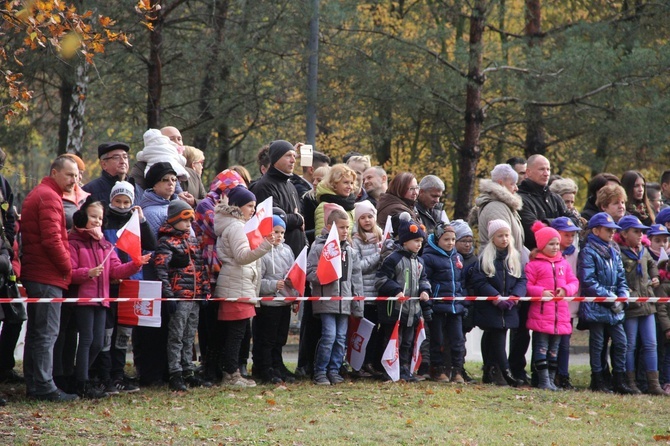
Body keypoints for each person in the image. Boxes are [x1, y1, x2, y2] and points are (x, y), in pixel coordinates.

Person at [68, 198, 148, 399]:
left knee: (98, 342)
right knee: (86, 340)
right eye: (93, 216)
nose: (97, 221)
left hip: (102, 299)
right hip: (84, 300)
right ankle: (81, 382)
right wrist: (88, 273)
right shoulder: (74, 241)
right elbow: (70, 271)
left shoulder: (106, 244)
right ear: (83, 217)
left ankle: (82, 375)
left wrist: (136, 264)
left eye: (100, 218)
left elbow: (115, 270)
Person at [21, 155, 79, 401]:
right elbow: (52, 240)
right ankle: (44, 387)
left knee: (37, 333)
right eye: (69, 175)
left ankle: (36, 385)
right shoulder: (49, 197)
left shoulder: (43, 194)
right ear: (54, 172)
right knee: (46, 333)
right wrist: (68, 268)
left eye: (76, 176)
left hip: (38, 273)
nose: (74, 181)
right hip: (47, 276)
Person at [515, 155, 575, 385]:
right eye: (541, 169)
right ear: (528, 172)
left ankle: (555, 375)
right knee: (525, 329)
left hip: (558, 270)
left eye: (548, 168)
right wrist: (556, 224)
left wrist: (549, 223)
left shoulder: (554, 197)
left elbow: (570, 223)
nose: (546, 173)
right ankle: (520, 371)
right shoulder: (521, 198)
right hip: (533, 267)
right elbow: (532, 231)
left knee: (556, 334)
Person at [98, 181, 156, 394]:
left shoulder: (135, 221)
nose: (122, 205)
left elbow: (151, 244)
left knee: (123, 332)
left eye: (126, 202)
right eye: (118, 201)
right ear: (111, 200)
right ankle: (104, 375)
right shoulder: (104, 221)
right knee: (107, 331)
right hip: (110, 282)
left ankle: (118, 374)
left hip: (132, 281)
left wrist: (142, 221)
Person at [214, 186, 273, 387]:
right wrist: (266, 245)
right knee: (236, 334)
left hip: (237, 283)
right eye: (249, 205)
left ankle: (233, 373)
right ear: (238, 206)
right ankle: (231, 374)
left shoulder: (232, 225)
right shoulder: (236, 227)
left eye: (254, 206)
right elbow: (241, 257)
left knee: (237, 333)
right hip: (236, 284)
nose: (253, 210)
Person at [194, 169, 246, 382]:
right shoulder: (206, 205)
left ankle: (226, 365)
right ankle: (209, 366)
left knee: (227, 324)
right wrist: (226, 209)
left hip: (227, 269)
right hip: (208, 268)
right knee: (210, 323)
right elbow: (216, 227)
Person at [154, 200, 211, 392]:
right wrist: (169, 296)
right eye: (185, 220)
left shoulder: (192, 240)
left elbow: (201, 268)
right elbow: (161, 270)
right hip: (179, 296)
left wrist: (204, 292)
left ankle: (188, 370)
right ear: (174, 219)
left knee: (189, 336)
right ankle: (175, 373)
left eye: (191, 220)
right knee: (176, 336)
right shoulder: (165, 241)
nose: (189, 224)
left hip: (194, 297)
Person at [577, 212, 635, 394]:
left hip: (614, 307)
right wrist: (611, 299)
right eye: (608, 229)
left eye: (613, 230)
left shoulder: (614, 250)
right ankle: (598, 378)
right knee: (598, 344)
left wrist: (622, 298)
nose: (611, 233)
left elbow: (621, 279)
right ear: (595, 230)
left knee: (621, 342)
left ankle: (619, 378)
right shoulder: (588, 251)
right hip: (597, 307)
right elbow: (588, 281)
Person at [307, 208, 364, 385]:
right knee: (329, 336)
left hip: (345, 302)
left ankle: (334, 369)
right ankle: (320, 371)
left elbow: (356, 278)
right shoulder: (318, 247)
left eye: (347, 227)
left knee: (341, 338)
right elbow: (309, 272)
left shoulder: (351, 251)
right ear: (330, 227)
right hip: (326, 302)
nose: (345, 231)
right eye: (341, 227)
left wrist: (357, 303)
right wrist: (325, 275)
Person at [468, 220, 526, 387]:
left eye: (507, 235)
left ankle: (491, 369)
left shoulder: (516, 257)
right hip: (491, 307)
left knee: (496, 336)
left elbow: (522, 279)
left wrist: (515, 296)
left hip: (509, 306)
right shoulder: (485, 259)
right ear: (492, 238)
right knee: (497, 335)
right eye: (500, 235)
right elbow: (479, 281)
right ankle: (505, 371)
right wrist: (494, 297)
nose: (504, 239)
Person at [375, 213, 431, 382]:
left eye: (421, 242)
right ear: (405, 241)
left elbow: (424, 279)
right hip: (395, 311)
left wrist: (425, 291)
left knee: (407, 342)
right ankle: (389, 369)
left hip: (412, 312)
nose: (419, 245)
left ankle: (404, 369)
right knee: (393, 341)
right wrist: (396, 290)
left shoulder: (419, 262)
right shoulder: (393, 259)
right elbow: (381, 279)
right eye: (416, 241)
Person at [615, 215, 667, 395]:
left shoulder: (643, 251)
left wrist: (655, 276)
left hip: (648, 304)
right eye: (635, 231)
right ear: (624, 233)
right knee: (630, 345)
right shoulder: (619, 252)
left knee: (651, 343)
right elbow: (618, 276)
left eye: (641, 232)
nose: (639, 235)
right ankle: (631, 382)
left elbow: (653, 264)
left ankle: (653, 384)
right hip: (632, 306)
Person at [524, 222, 579, 390]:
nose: (555, 247)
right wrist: (540, 292)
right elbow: (527, 285)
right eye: (551, 244)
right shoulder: (533, 265)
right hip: (542, 315)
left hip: (560, 315)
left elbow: (573, 282)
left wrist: (566, 290)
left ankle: (551, 380)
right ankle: (542, 380)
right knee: (541, 348)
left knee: (554, 349)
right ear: (541, 245)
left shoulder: (563, 264)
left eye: (557, 243)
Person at [254, 214, 298, 384]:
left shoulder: (287, 250)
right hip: (269, 302)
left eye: (282, 232)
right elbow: (257, 280)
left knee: (280, 338)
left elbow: (294, 271)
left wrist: (293, 290)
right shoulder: (262, 252)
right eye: (275, 232)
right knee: (267, 338)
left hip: (284, 301)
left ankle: (277, 364)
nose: (279, 236)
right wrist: (273, 285)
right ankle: (264, 367)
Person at [422, 223, 468, 383]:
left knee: (457, 340)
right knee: (437, 340)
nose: (450, 243)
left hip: (456, 307)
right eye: (446, 239)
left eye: (453, 239)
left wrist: (464, 303)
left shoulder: (458, 257)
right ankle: (438, 369)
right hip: (438, 306)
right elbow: (425, 280)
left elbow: (461, 282)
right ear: (437, 239)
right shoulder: (428, 257)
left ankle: (457, 370)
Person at [249, 140, 307, 258]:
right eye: (288, 156)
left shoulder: (290, 185)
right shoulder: (264, 186)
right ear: (275, 159)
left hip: (295, 255)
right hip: (275, 260)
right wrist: (298, 219)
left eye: (294, 156)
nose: (293, 160)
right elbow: (273, 220)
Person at [351, 200, 383, 377]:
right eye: (362, 218)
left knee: (377, 331)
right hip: (365, 293)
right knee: (365, 332)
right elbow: (358, 266)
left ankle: (372, 362)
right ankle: (361, 364)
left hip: (379, 292)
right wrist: (378, 257)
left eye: (370, 216)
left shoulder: (380, 238)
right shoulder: (356, 241)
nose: (367, 221)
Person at [550, 216, 582, 390]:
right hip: (549, 309)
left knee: (564, 343)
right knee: (547, 343)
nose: (570, 239)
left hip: (567, 307)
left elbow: (575, 280)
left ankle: (563, 375)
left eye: (572, 235)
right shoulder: (548, 254)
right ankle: (547, 374)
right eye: (566, 235)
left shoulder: (575, 254)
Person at [0, 147, 21, 386]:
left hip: (4, 260)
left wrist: (6, 245)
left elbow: (9, 218)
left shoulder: (3, 185)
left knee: (16, 316)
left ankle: (4, 367)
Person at [473, 164, 525, 256]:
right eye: (513, 184)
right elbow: (502, 246)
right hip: (500, 266)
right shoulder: (496, 208)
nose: (516, 188)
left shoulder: (503, 205)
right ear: (501, 183)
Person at [314, 163, 357, 236]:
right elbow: (321, 236)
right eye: (346, 182)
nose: (350, 187)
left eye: (352, 183)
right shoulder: (324, 206)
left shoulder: (350, 205)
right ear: (334, 183)